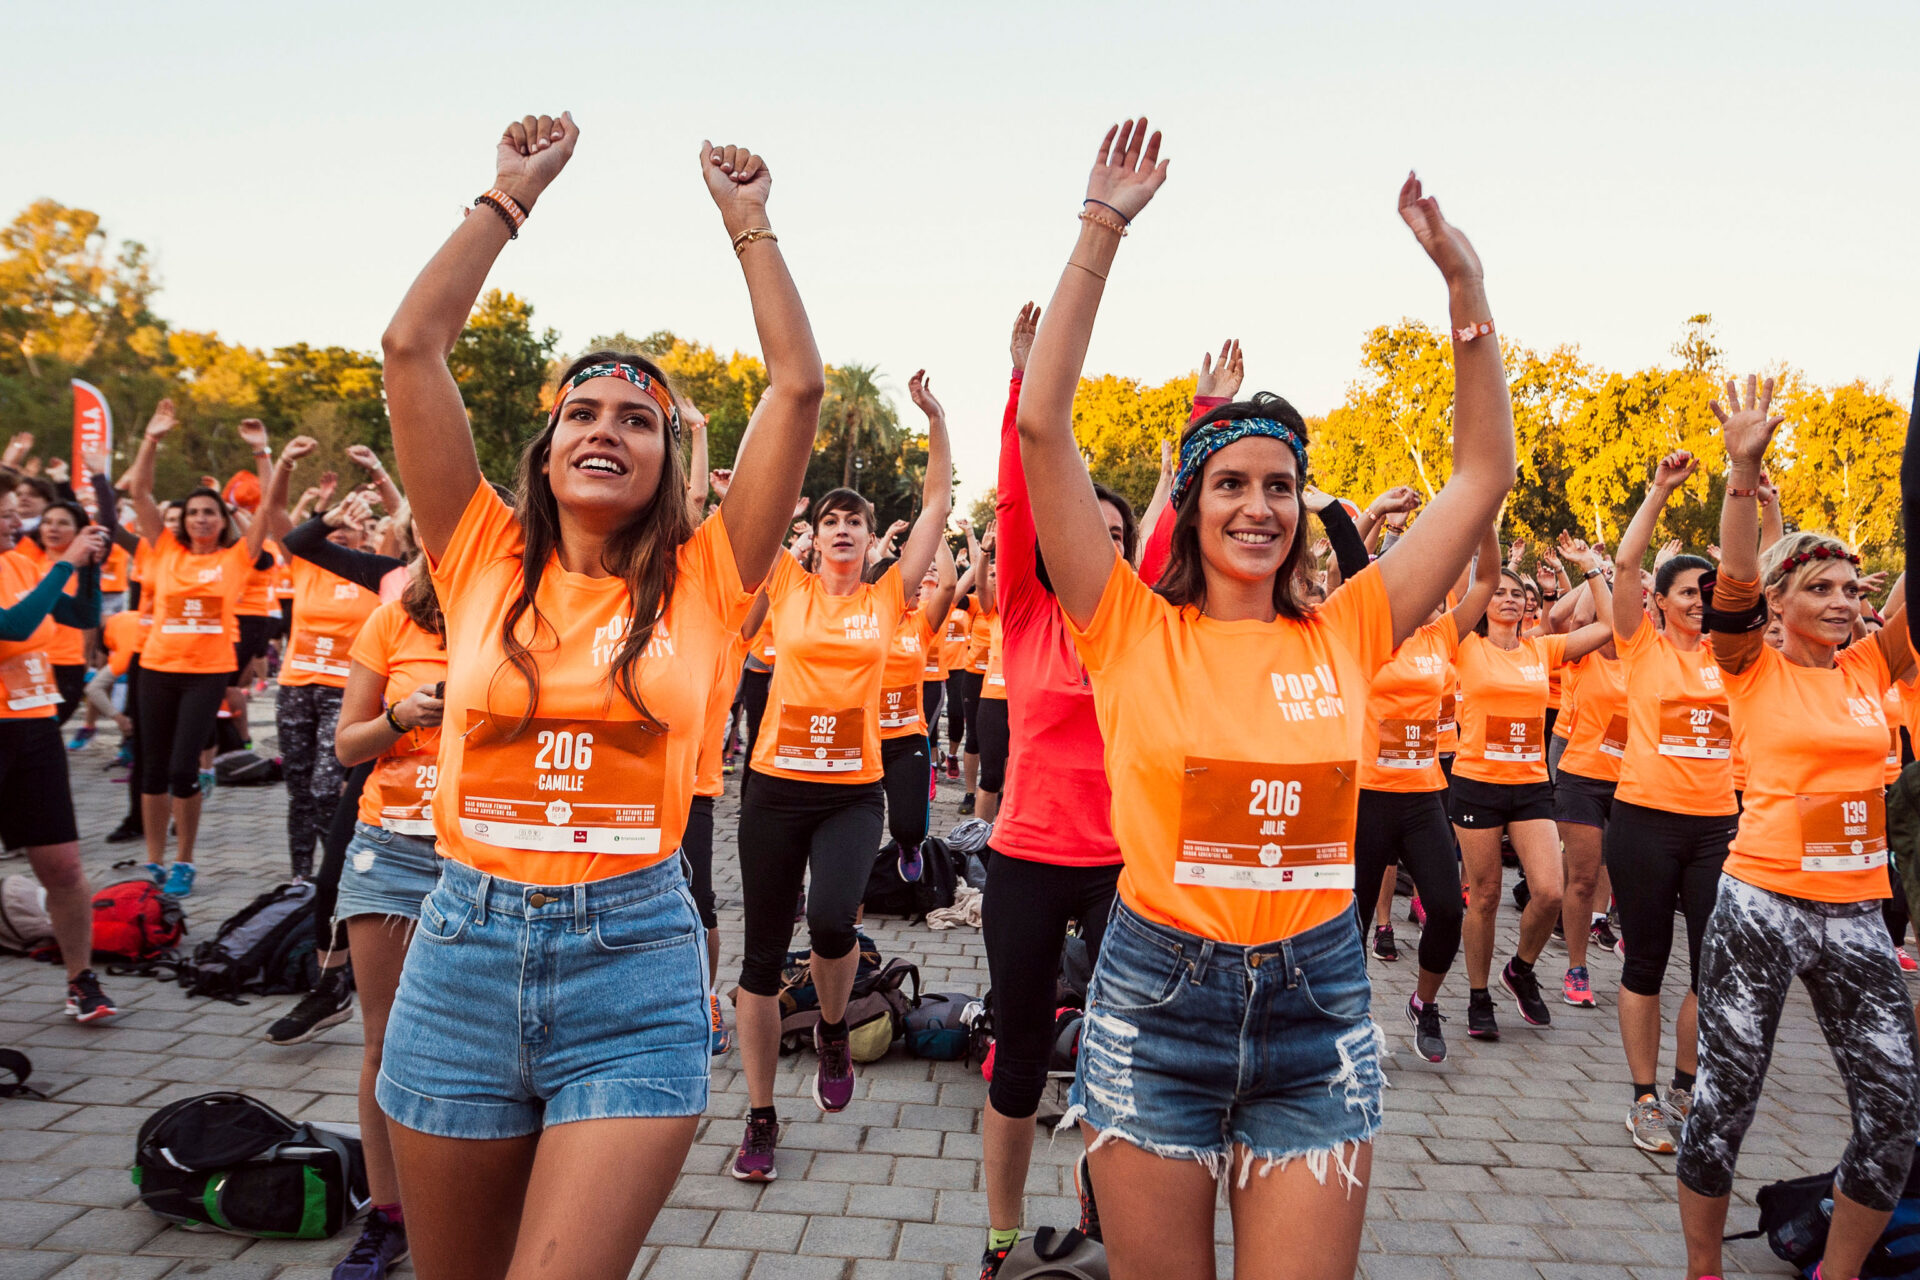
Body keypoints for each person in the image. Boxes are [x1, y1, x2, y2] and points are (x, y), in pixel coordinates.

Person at [1017, 121, 1513, 1280]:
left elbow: (1481, 473)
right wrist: (1102, 227)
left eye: (1281, 485)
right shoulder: (1129, 624)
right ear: (1189, 509)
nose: (1259, 505)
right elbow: (1046, 427)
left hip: (1318, 1008)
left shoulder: (1350, 628)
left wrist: (1466, 288)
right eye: (1230, 483)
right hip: (1156, 1001)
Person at [376, 113, 822, 1280]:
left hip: (631, 959)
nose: (607, 429)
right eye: (583, 410)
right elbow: (411, 348)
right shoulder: (477, 553)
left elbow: (798, 384)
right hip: (463, 944)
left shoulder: (714, 579)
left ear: (671, 459)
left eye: (638, 419)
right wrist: (507, 198)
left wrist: (751, 228)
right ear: (547, 443)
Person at [1676, 374, 1920, 1280]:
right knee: (1724, 1105)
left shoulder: (1870, 668)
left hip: (1858, 912)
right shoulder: (1749, 665)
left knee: (1895, 1114)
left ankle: (1839, 1271)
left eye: (1854, 588)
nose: (1845, 601)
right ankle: (1704, 1269)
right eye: (1821, 586)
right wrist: (1742, 469)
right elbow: (1735, 577)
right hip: (1763, 905)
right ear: (1778, 603)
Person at [731, 365, 950, 1182]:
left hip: (852, 792)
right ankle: (759, 1117)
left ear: (868, 539)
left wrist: (934, 419)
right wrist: (760, 415)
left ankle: (830, 1026)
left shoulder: (887, 599)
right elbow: (741, 510)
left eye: (855, 520)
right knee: (757, 957)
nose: (844, 529)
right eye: (832, 521)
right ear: (815, 538)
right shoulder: (785, 584)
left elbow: (935, 507)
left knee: (830, 922)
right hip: (774, 789)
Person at [974, 300, 1141, 1277]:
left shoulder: (1137, 619)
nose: (1098, 535)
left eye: (1114, 528)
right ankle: (1002, 1233)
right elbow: (1014, 493)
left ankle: (1103, 1210)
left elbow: (1169, 536)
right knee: (1021, 1049)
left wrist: (1209, 408)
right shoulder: (1028, 612)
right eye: (1085, 521)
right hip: (1028, 861)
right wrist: (1023, 379)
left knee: (1121, 1055)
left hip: (1124, 868)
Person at [1602, 450, 1744, 1154]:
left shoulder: (1735, 657)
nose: (1698, 600)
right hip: (1643, 825)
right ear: (1661, 601)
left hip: (1718, 828)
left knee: (1713, 968)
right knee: (1645, 963)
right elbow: (1625, 568)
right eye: (1686, 591)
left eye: (1706, 590)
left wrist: (1752, 491)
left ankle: (1687, 1084)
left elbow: (1761, 576)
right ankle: (1645, 1097)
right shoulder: (1641, 647)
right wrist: (1657, 491)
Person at [325, 555, 448, 1280]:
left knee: (487, 1041)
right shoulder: (392, 619)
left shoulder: (525, 623)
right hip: (391, 850)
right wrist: (402, 716)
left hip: (487, 854)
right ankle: (390, 1217)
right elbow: (347, 745)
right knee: (385, 1042)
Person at [1451, 541, 1612, 1038]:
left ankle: (1520, 969)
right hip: (1477, 783)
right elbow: (1466, 582)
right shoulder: (1463, 644)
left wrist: (1591, 570)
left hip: (1530, 786)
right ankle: (1478, 997)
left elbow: (1608, 627)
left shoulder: (1542, 649)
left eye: (1517, 594)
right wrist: (1482, 525)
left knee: (1548, 891)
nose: (1509, 599)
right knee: (1485, 896)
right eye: (1498, 593)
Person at [1353, 523, 1499, 1065]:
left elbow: (1486, 579)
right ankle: (1348, 1018)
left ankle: (1424, 1001)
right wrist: (1368, 522)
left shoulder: (1440, 634)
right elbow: (1340, 573)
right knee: (1353, 921)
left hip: (1422, 795)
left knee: (1446, 908)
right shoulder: (1363, 630)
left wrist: (1482, 524)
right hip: (1367, 795)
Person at [125, 401, 276, 896]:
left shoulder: (238, 556)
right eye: (193, 513)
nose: (201, 518)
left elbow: (269, 505)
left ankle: (184, 861)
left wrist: (262, 454)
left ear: (221, 519)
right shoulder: (164, 550)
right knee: (149, 769)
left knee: (181, 767)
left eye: (209, 511)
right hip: (156, 668)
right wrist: (151, 439)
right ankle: (153, 860)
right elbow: (139, 491)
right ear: (182, 521)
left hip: (207, 673)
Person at [0, 473, 114, 1019]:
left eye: (10, 513)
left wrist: (87, 569)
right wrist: (68, 559)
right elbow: (15, 626)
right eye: (1, 514)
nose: (10, 522)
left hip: (35, 725)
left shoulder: (20, 564)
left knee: (64, 867)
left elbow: (81, 616)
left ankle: (81, 980)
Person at [264, 439, 382, 880]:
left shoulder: (377, 571)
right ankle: (301, 881)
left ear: (365, 535)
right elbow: (275, 513)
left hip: (348, 692)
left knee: (325, 788)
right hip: (297, 687)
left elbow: (407, 517)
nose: (341, 532)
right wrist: (284, 462)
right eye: (334, 527)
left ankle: (341, 870)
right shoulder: (306, 566)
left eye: (351, 526)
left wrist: (376, 469)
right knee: (298, 789)